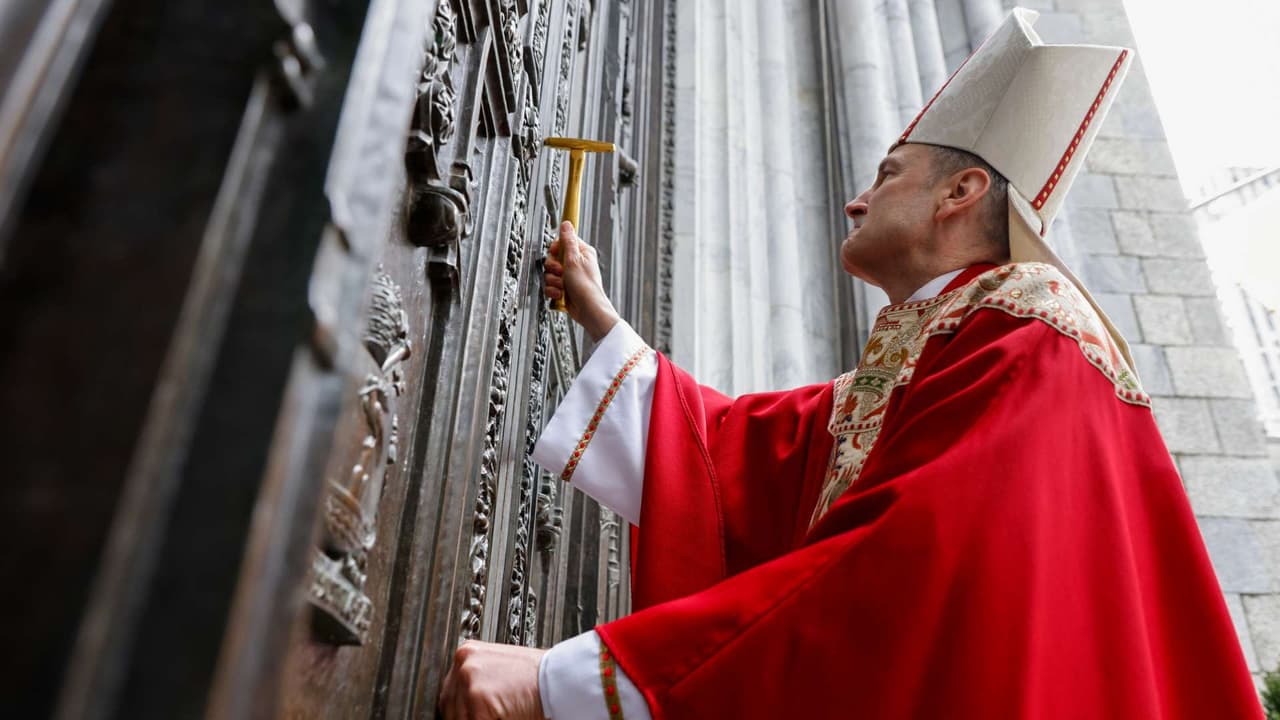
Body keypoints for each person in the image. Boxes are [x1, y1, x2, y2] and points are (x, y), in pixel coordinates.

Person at [439, 9, 1264, 719]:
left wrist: (567, 682)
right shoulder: (944, 341)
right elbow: (738, 456)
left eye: (887, 174)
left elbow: (907, 569)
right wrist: (601, 316)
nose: (856, 198)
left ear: (961, 192)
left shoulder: (1034, 337)